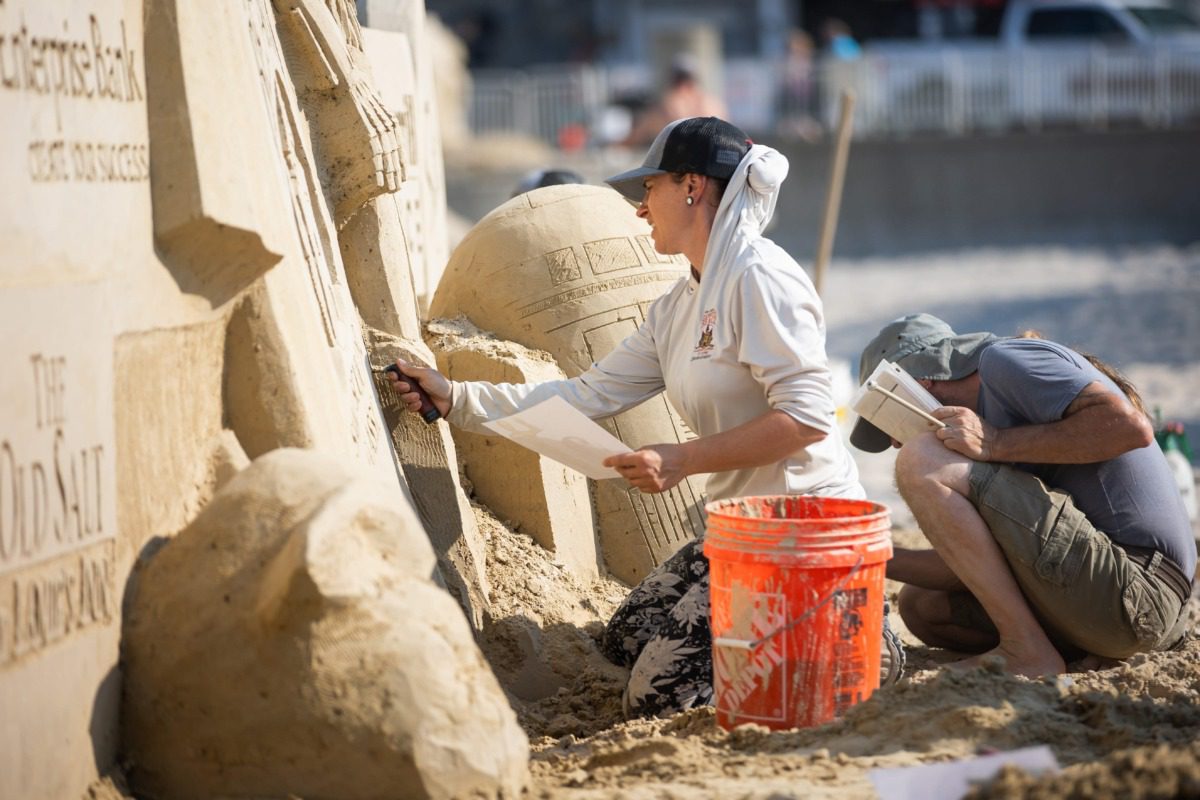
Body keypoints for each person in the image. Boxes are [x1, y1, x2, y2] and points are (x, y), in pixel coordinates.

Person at [389, 116, 900, 717]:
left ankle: (855, 639)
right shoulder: (679, 305)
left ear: (692, 186)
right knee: (626, 639)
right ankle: (805, 637)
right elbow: (586, 395)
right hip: (736, 525)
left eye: (646, 189)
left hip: (803, 525)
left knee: (658, 698)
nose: (638, 208)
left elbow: (809, 420)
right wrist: (456, 399)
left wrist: (682, 459)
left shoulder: (760, 278)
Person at [851, 314, 1196, 677]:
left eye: (886, 417)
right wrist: (863, 557)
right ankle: (1073, 648)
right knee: (922, 605)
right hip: (1118, 604)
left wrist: (994, 443)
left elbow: (1130, 427)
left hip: (1141, 593)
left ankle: (1026, 650)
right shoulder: (986, 415)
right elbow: (973, 562)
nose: (892, 440)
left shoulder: (1004, 362)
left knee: (920, 459)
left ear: (920, 381)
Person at [622, 58, 728, 147]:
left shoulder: (669, 101)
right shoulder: (714, 102)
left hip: (686, 155)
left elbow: (640, 133)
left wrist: (620, 145)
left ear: (672, 79)